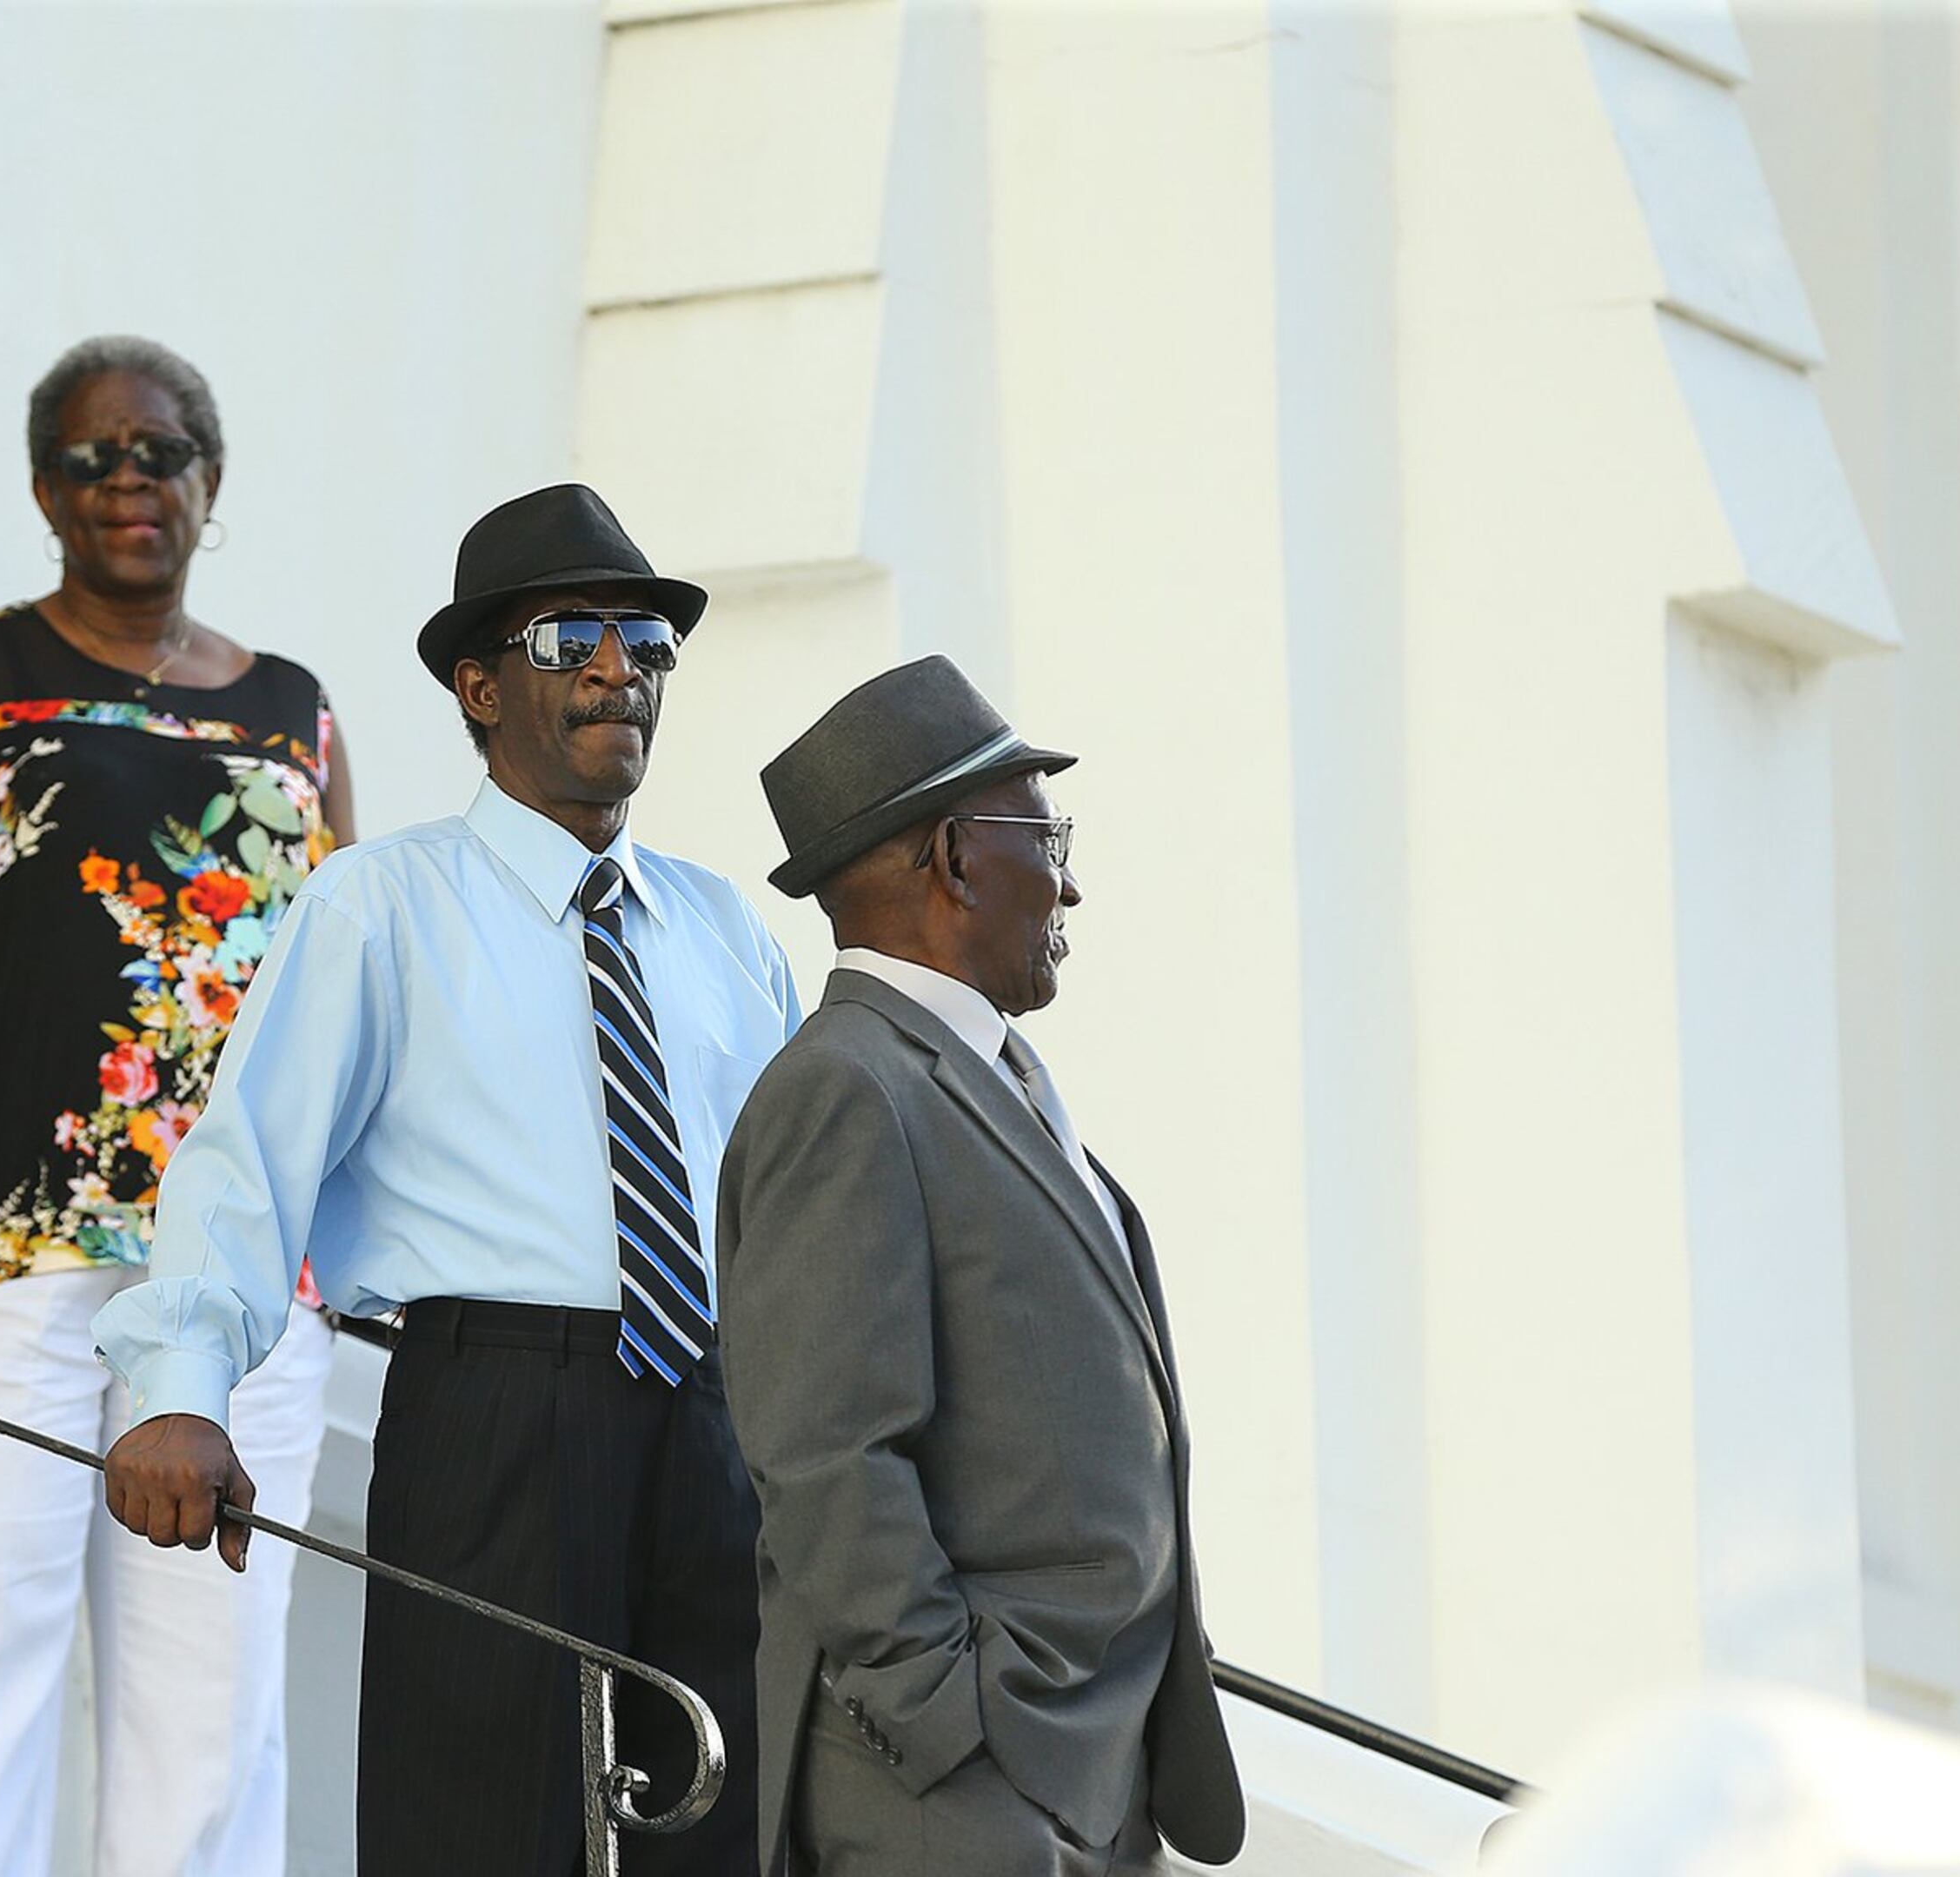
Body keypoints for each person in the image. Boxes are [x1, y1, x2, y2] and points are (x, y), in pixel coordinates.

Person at [94, 482, 800, 1877]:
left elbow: (796, 1218)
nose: (620, 670)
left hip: (724, 1426)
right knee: (483, 1827)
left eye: (648, 644)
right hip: (495, 1418)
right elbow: (248, 1165)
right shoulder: (379, 904)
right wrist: (177, 1394)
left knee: (725, 1827)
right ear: (479, 689)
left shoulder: (726, 929)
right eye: (573, 640)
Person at [0, 335, 355, 1877]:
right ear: (46, 489)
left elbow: (338, 1014)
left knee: (214, 1702)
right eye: (94, 457)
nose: (130, 482)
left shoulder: (298, 715)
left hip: (241, 1281)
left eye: (160, 452)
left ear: (210, 481)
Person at [714, 656, 1246, 1875]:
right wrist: (953, 1729)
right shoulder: (847, 1088)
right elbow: (827, 1457)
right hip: (959, 1791)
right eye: (1047, 833)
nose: (1071, 881)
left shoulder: (974, 1077)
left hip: (1086, 1773)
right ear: (956, 856)